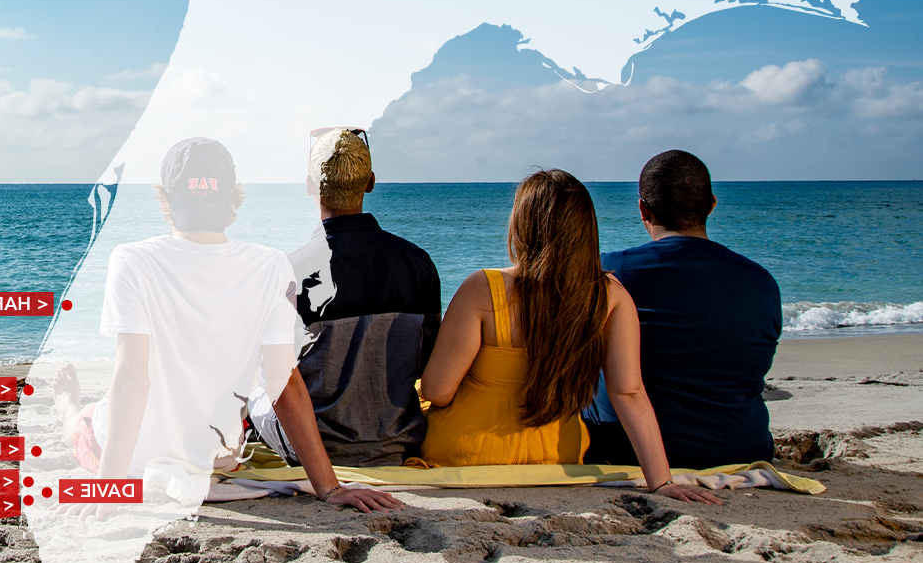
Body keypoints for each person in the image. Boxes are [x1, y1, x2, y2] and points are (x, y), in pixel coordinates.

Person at [53, 136, 402, 513]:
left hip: (135, 458)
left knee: (83, 425)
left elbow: (133, 378)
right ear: (233, 197)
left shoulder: (131, 260)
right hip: (217, 459)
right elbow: (284, 384)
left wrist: (109, 487)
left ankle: (67, 406)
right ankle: (72, 405)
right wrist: (330, 489)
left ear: (166, 199)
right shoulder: (270, 267)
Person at [415, 168, 720, 505]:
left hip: (467, 451)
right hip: (557, 456)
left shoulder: (482, 288)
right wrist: (661, 482)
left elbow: (438, 391)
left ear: (522, 226)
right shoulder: (611, 297)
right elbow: (629, 393)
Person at [247, 127, 442, 467]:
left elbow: (280, 383)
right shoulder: (417, 264)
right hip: (397, 442)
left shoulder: (289, 272)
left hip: (315, 450)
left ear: (310, 187)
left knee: (254, 384)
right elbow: (426, 361)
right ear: (370, 182)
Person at [582, 150, 782, 469]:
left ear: (642, 209)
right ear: (712, 205)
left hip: (626, 451)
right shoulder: (762, 282)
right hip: (741, 449)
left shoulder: (608, 271)